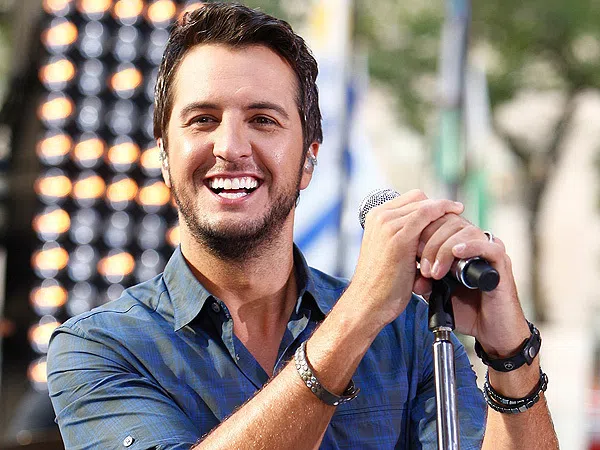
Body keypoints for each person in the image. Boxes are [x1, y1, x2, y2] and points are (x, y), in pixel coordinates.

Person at [47, 3, 559, 449]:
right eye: (203, 119)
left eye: (263, 120)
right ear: (164, 156)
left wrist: (511, 356)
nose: (230, 147)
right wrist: (358, 314)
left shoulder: (406, 334)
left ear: (309, 159)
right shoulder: (99, 347)